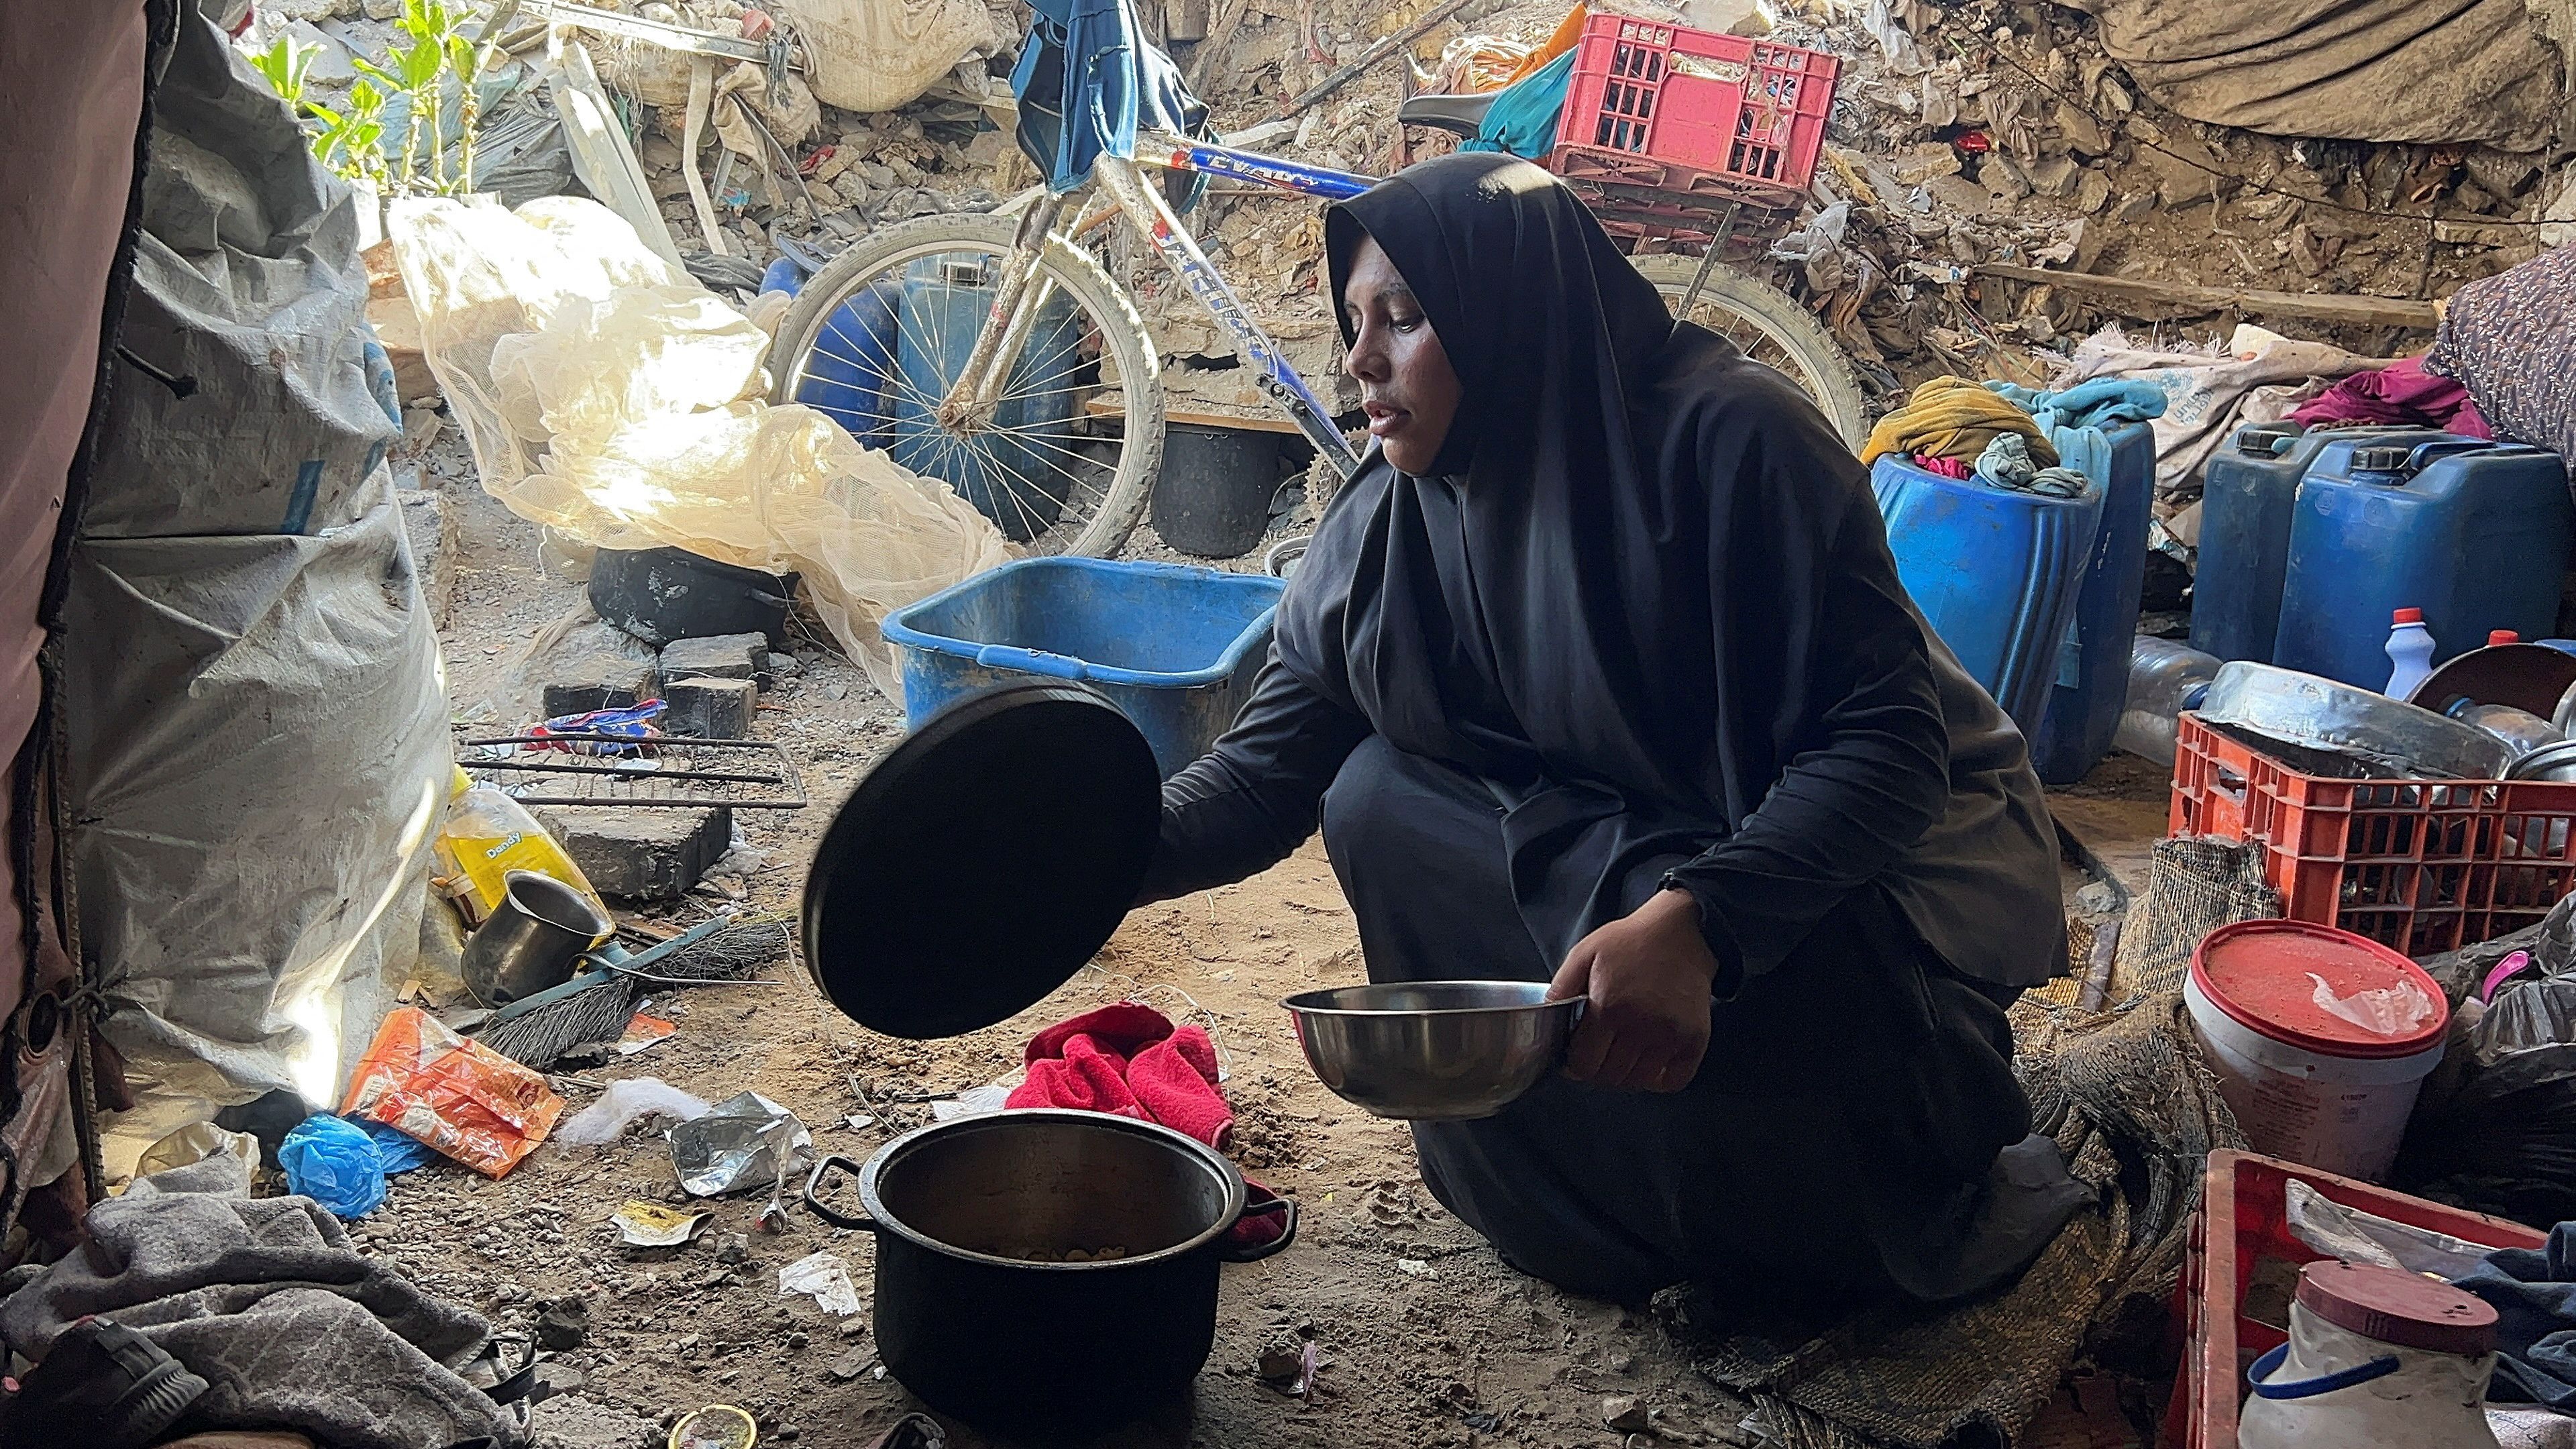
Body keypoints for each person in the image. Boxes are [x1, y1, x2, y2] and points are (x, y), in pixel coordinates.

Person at [1137, 153, 2090, 1314]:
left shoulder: (1729, 445)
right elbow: (1260, 779)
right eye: (1354, 322)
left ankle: (1805, 1211)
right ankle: (1573, 1196)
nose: (1363, 360)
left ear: (1508, 312)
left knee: (1636, 884)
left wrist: (1700, 928)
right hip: (1646, 869)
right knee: (1378, 797)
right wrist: (1085, 859)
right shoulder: (1385, 524)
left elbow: (1885, 751)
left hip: (1860, 918)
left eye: (1406, 316)